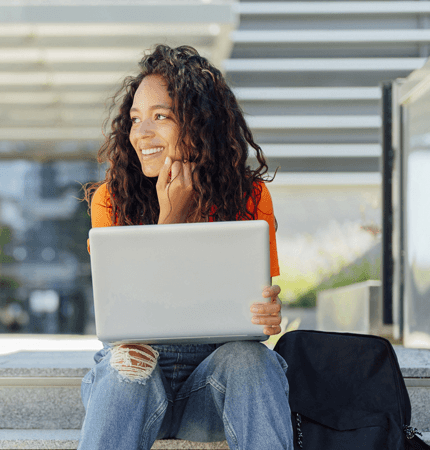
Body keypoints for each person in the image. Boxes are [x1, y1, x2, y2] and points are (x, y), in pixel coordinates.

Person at [81, 44, 293, 450]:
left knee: (253, 360)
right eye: (135, 119)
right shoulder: (111, 199)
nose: (141, 133)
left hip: (212, 393)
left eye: (160, 116)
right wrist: (170, 219)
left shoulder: (249, 197)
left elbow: (252, 315)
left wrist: (265, 313)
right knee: (128, 361)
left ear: (200, 123)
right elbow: (128, 317)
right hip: (135, 392)